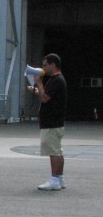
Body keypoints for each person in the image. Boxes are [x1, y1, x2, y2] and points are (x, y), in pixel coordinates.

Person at [29, 53, 67, 191]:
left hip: (52, 122)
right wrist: (38, 89)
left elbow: (45, 98)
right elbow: (46, 95)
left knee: (53, 151)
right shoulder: (56, 79)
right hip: (54, 121)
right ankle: (60, 178)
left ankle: (54, 180)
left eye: (45, 65)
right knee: (57, 150)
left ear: (53, 65)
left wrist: (38, 83)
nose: (43, 68)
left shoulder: (57, 80)